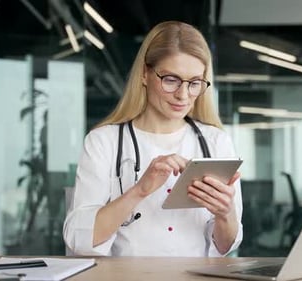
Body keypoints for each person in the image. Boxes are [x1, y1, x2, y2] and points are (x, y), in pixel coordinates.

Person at [63, 21, 243, 257]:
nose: (183, 94)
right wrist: (139, 190)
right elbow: (79, 238)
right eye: (171, 79)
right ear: (145, 74)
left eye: (194, 83)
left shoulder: (216, 142)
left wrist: (225, 213)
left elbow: (226, 245)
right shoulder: (103, 141)